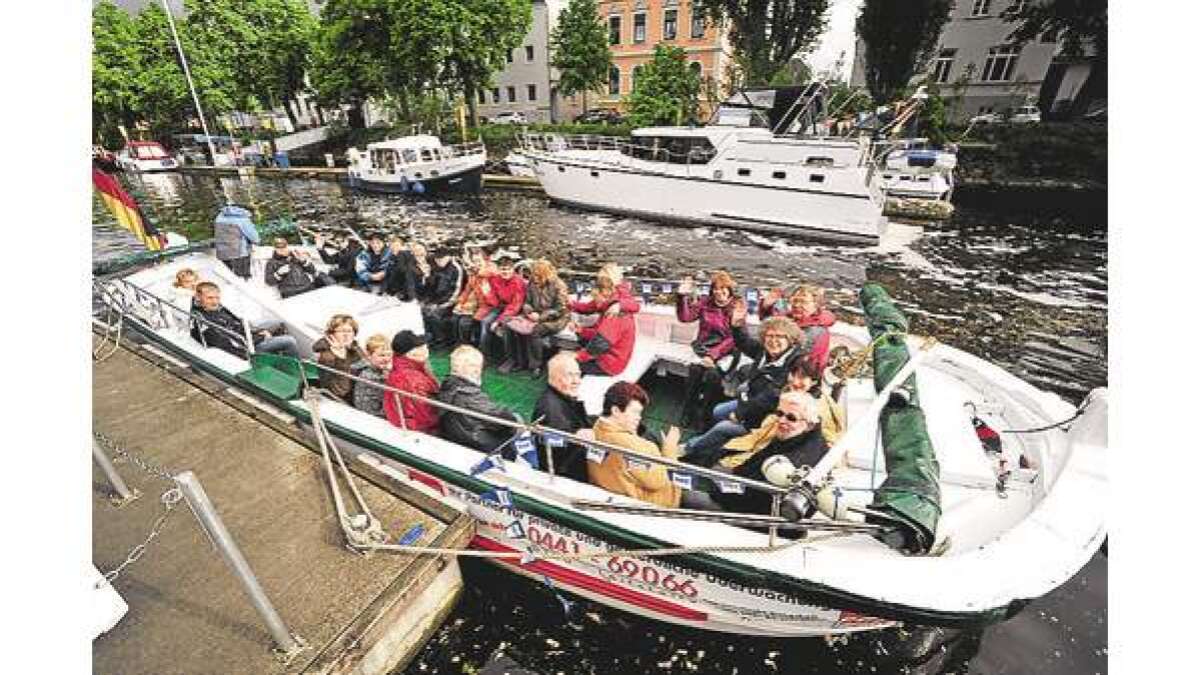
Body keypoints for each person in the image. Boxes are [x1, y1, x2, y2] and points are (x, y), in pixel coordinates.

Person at [680, 314, 803, 467]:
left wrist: (740, 413)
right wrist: (737, 327)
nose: (773, 341)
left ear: (790, 340)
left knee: (723, 427)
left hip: (766, 417)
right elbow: (744, 343)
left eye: (780, 336)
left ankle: (689, 448)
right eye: (769, 336)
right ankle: (713, 445)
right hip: (750, 400)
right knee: (718, 411)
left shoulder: (793, 364)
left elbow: (769, 397)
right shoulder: (766, 353)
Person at [711, 391, 829, 516]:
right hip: (747, 493)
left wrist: (717, 493)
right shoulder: (794, 437)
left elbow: (759, 500)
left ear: (809, 425)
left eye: (791, 418)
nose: (782, 420)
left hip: (760, 517)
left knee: (690, 496)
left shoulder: (800, 457)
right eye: (779, 413)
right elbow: (754, 462)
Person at [588, 381, 682, 508]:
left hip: (613, 492)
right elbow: (658, 482)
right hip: (651, 504)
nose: (639, 418)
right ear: (615, 410)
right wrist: (669, 451)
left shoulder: (596, 428)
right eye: (635, 412)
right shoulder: (632, 446)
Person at [675, 271, 739, 428]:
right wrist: (682, 296)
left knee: (713, 376)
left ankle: (706, 413)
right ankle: (688, 410)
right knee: (694, 372)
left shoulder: (737, 306)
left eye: (723, 288)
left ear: (730, 290)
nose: (719, 292)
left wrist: (713, 355)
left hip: (727, 351)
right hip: (703, 347)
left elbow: (734, 338)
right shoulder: (705, 302)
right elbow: (685, 317)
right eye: (716, 288)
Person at [437, 345, 521, 452]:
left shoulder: (447, 386)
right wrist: (513, 421)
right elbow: (499, 418)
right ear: (476, 371)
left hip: (458, 434)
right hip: (477, 443)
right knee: (517, 420)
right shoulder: (470, 395)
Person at [189, 281, 299, 358]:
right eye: (210, 298)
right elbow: (230, 344)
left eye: (217, 298)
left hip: (246, 336)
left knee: (277, 322)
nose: (215, 302)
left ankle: (278, 356)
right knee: (289, 341)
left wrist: (257, 332)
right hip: (246, 349)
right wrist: (260, 337)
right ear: (199, 298)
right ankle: (295, 371)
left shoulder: (217, 308)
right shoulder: (202, 320)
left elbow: (238, 323)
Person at [567, 263, 640, 376]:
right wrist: (580, 329)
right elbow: (600, 332)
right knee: (582, 339)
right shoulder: (608, 299)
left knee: (568, 366)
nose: (595, 304)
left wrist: (577, 357)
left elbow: (599, 344)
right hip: (611, 354)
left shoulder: (615, 312)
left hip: (609, 364)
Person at [502, 259, 570, 377]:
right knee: (509, 325)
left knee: (535, 331)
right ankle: (516, 360)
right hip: (534, 314)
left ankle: (535, 365)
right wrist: (528, 309)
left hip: (555, 319)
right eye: (534, 274)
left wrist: (541, 317)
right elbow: (527, 301)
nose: (535, 277)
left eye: (538, 275)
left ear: (545, 274)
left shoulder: (559, 285)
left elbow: (561, 309)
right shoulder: (533, 282)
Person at [532, 353, 594, 481]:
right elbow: (557, 449)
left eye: (578, 374)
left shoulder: (563, 398)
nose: (577, 381)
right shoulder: (550, 408)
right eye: (570, 375)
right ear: (554, 377)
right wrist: (575, 436)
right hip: (564, 475)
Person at [759, 283, 837, 374]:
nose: (797, 305)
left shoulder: (816, 331)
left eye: (803, 302)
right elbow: (770, 325)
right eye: (794, 301)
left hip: (797, 375)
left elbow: (790, 355)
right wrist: (767, 307)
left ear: (816, 305)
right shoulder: (790, 318)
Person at [383, 330, 441, 434]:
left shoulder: (403, 368)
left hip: (409, 423)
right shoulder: (413, 380)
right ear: (410, 353)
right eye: (420, 347)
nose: (425, 349)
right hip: (421, 431)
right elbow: (425, 418)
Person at [479, 252, 527, 364]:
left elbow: (515, 305)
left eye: (507, 269)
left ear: (512, 269)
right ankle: (485, 355)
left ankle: (510, 359)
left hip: (514, 311)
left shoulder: (518, 282)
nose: (505, 272)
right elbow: (495, 302)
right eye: (502, 269)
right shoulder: (495, 279)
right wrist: (487, 293)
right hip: (500, 307)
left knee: (505, 328)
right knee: (485, 322)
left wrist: (499, 321)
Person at [312, 314, 365, 403]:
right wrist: (341, 359)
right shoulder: (327, 357)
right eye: (341, 331)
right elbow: (340, 391)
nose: (346, 335)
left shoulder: (354, 348)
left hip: (360, 392)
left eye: (349, 331)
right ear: (332, 334)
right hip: (342, 400)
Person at [419, 247, 465, 348]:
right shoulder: (433, 265)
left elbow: (457, 291)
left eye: (441, 258)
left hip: (451, 302)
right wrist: (427, 277)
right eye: (437, 259)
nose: (439, 261)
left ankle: (442, 340)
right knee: (423, 310)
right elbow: (430, 287)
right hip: (436, 299)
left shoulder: (456, 268)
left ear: (448, 257)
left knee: (434, 314)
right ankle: (432, 337)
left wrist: (442, 305)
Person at [264, 237, 336, 298]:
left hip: (307, 287)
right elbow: (269, 281)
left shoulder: (296, 255)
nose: (283, 250)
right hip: (290, 292)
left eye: (284, 247)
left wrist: (304, 261)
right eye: (279, 248)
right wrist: (279, 273)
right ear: (275, 249)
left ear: (287, 246)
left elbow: (312, 270)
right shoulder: (271, 263)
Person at [451, 251, 496, 346]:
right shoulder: (473, 276)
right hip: (478, 304)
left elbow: (492, 300)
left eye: (479, 261)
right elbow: (466, 291)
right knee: (455, 318)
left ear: (485, 261)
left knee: (465, 322)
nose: (477, 264)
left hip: (489, 305)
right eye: (474, 261)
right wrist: (460, 303)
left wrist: (473, 307)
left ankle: (470, 346)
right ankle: (459, 344)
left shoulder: (491, 272)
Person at [212, 204, 260, 279]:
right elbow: (254, 237)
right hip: (239, 253)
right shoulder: (243, 219)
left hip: (222, 253)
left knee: (230, 277)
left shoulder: (219, 216)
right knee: (243, 278)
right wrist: (257, 241)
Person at [351, 334, 392, 418]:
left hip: (380, 410)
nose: (386, 359)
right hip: (374, 415)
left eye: (389, 355)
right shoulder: (369, 376)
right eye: (382, 355)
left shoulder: (380, 370)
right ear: (369, 356)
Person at [383, 236, 424, 302]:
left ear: (401, 246)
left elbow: (409, 274)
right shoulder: (391, 258)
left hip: (409, 289)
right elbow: (389, 275)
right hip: (398, 289)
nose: (394, 248)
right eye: (392, 246)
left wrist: (410, 295)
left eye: (396, 245)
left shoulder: (406, 255)